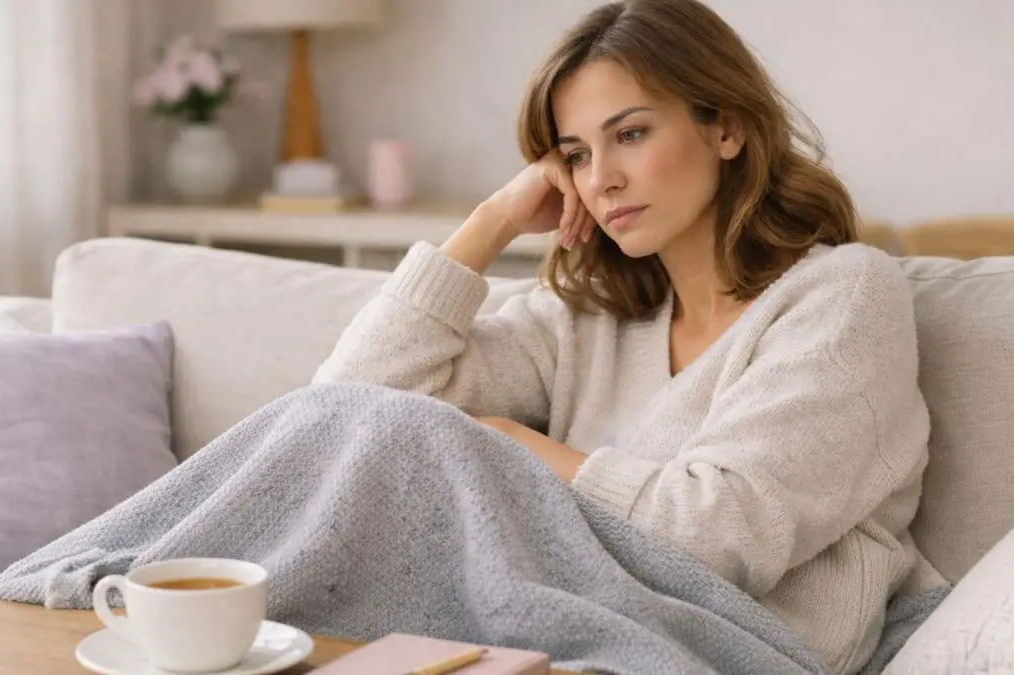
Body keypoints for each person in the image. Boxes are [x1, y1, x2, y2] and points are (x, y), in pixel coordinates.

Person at [315, 0, 947, 672]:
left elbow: (719, 534)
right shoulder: (587, 315)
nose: (601, 178)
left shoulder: (842, 296)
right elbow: (347, 418)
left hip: (736, 651)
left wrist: (515, 447)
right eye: (576, 155)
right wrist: (491, 221)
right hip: (549, 636)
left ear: (727, 126)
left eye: (632, 134)